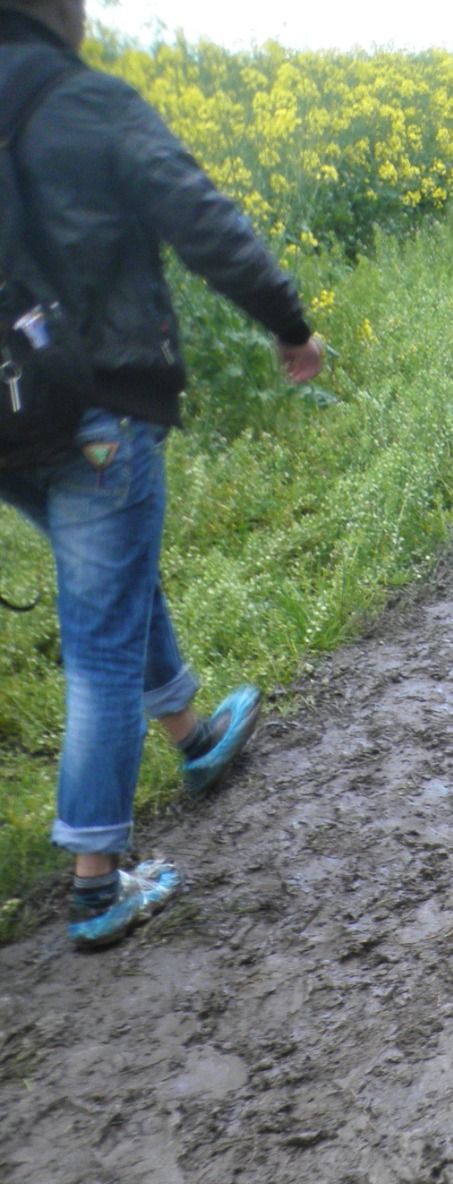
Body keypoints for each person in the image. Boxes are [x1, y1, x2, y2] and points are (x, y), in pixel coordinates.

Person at [0, 0, 324, 949]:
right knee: (101, 638)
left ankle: (193, 735)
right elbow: (202, 219)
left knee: (113, 574)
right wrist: (288, 323)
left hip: (6, 419)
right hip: (95, 407)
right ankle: (97, 884)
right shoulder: (87, 101)